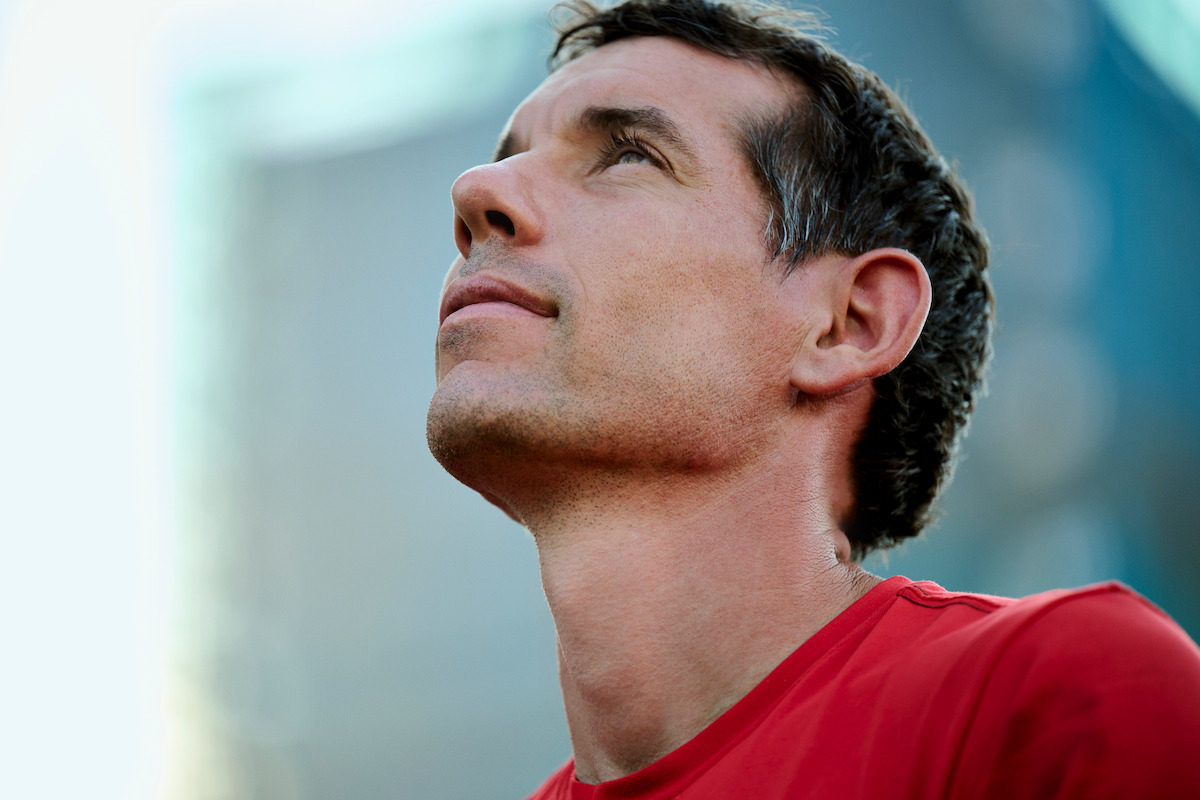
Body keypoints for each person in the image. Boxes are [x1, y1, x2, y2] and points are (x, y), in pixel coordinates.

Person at [425, 0, 1200, 797]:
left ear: (849, 324)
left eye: (628, 154)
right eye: (510, 156)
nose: (476, 190)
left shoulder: (1055, 698)